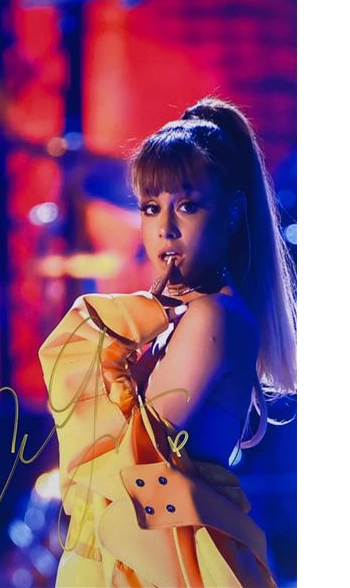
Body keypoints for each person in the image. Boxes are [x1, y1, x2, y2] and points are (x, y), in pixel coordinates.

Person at [38, 97, 296, 587]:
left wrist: (107, 351)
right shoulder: (189, 316)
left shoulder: (212, 316)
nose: (165, 229)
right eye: (151, 207)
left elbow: (133, 459)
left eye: (187, 205)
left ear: (233, 213)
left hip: (171, 561)